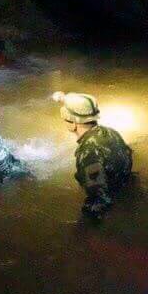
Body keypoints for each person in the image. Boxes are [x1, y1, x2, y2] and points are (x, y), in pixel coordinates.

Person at [53, 91, 134, 219]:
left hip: (116, 198)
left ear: (73, 124)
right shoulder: (110, 132)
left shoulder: (88, 153)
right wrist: (63, 98)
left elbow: (99, 198)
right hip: (127, 184)